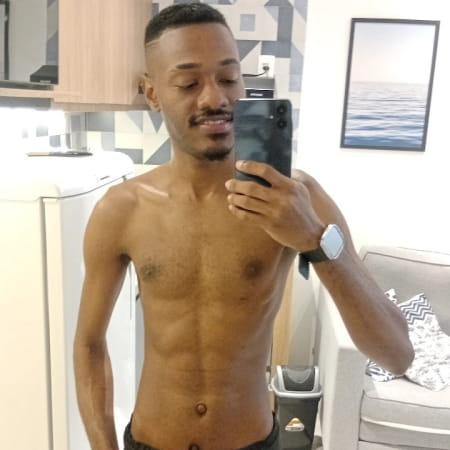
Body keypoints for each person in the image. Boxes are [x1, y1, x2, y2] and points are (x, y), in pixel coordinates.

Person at [73, 3, 414, 450]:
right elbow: (89, 345)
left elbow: (396, 354)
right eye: (189, 83)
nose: (214, 98)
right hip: (150, 440)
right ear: (152, 93)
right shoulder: (121, 208)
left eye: (229, 78)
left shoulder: (296, 198)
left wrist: (313, 241)